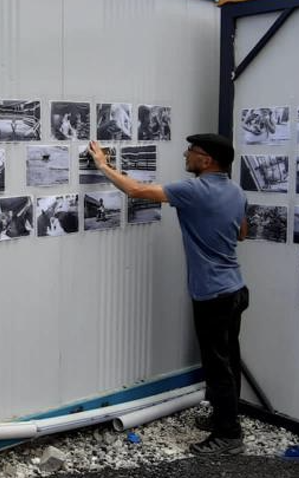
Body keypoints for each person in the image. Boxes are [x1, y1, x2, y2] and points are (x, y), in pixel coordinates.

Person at [88, 133, 249, 456]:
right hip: (235, 289)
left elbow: (136, 191)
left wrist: (103, 165)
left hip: (212, 294)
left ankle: (228, 436)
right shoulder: (235, 190)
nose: (186, 155)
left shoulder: (195, 190)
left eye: (192, 151)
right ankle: (225, 417)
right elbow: (242, 233)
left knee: (217, 365)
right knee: (229, 358)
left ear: (207, 160)